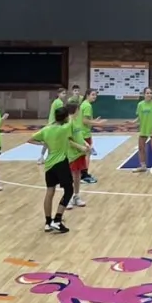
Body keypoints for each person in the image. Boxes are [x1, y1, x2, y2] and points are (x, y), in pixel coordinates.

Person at [34, 100, 87, 233]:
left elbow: (30, 139)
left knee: (49, 192)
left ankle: (47, 222)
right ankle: (57, 220)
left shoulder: (46, 129)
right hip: (61, 163)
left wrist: (44, 143)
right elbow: (72, 122)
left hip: (49, 165)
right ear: (65, 117)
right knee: (69, 190)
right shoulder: (64, 129)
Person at [66, 97, 93, 208]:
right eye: (78, 109)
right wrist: (80, 147)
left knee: (77, 176)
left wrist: (85, 144)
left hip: (79, 154)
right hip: (71, 154)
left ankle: (76, 196)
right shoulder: (68, 123)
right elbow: (68, 140)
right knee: (69, 177)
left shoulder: (76, 121)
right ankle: (67, 198)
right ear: (75, 110)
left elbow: (78, 136)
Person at [78, 88, 100, 185]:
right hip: (84, 133)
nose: (95, 96)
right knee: (86, 154)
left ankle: (82, 174)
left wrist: (93, 121)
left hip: (81, 133)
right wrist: (97, 123)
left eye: (95, 95)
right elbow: (85, 121)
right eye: (93, 94)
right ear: (87, 95)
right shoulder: (87, 106)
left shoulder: (83, 104)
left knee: (83, 154)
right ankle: (84, 175)